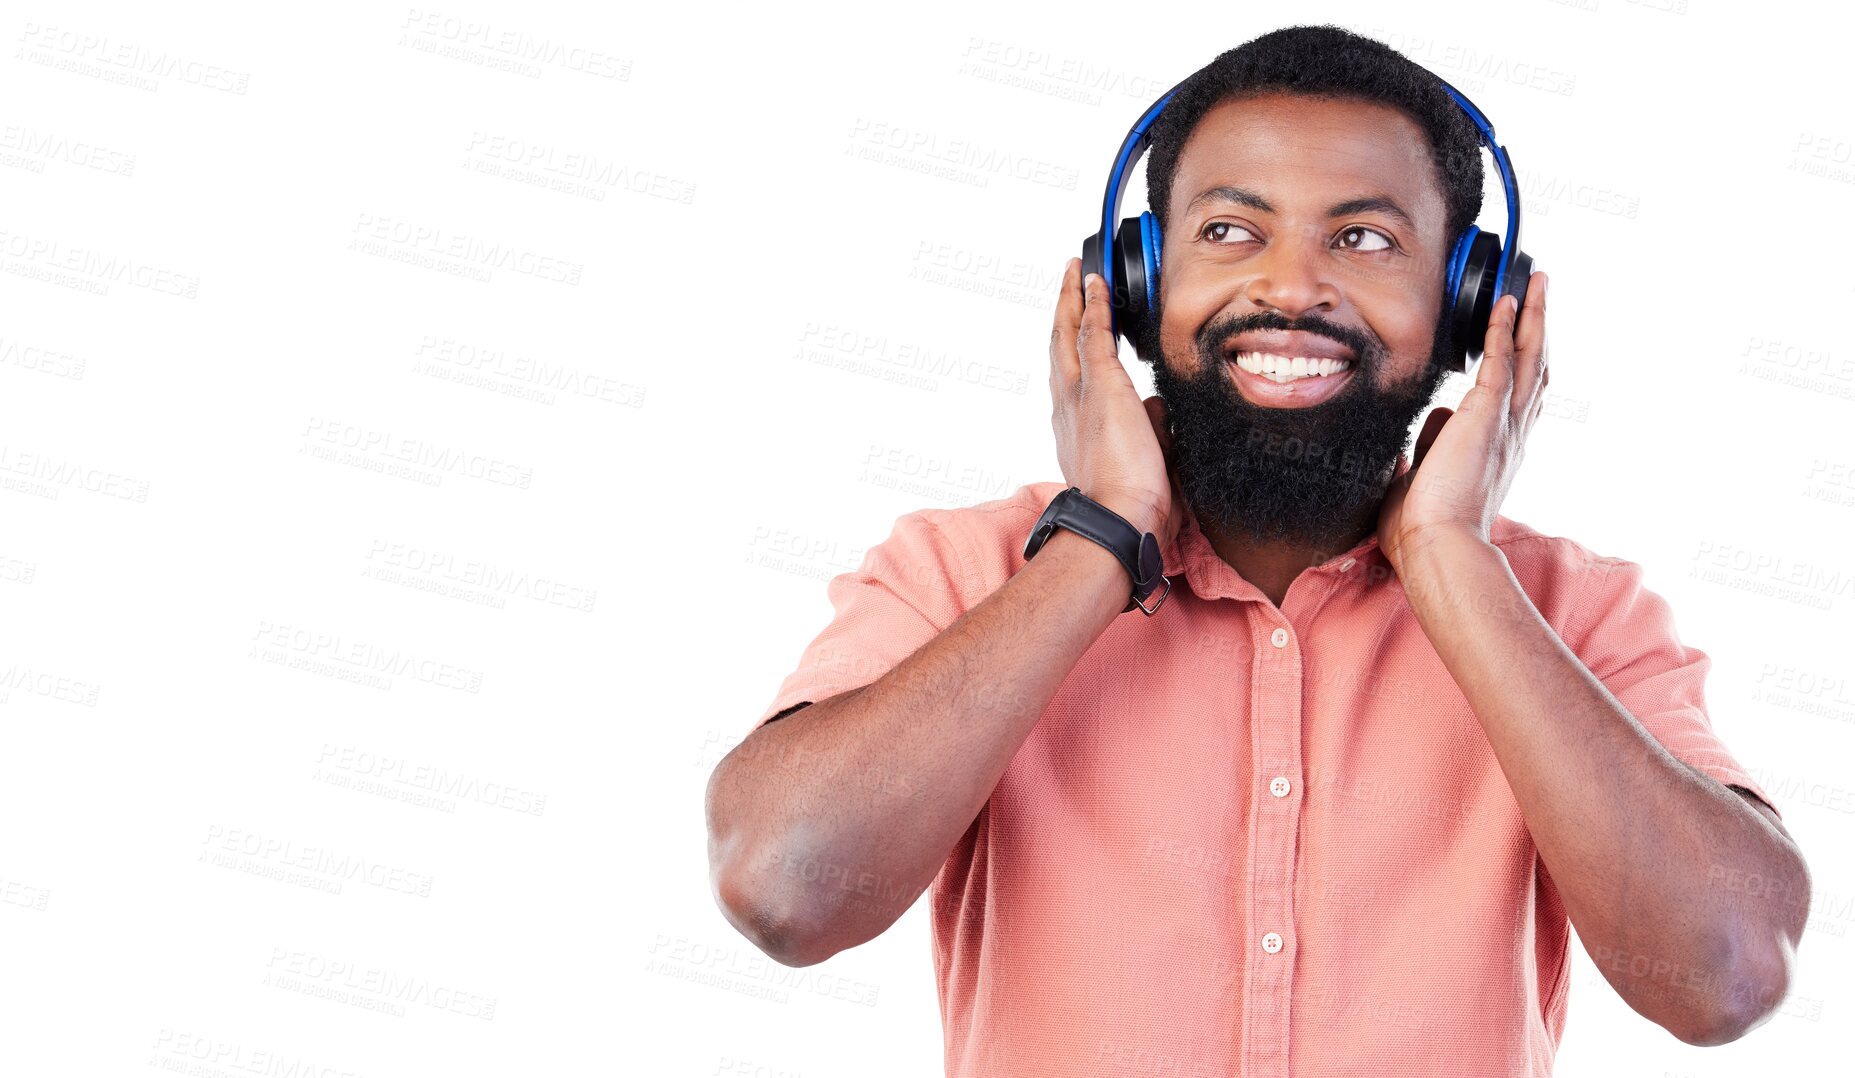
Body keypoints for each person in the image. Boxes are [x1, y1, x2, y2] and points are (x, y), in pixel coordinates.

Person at [704, 25, 1810, 1077]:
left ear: (1472, 305)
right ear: (1131, 283)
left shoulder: (1576, 610)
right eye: (1229, 231)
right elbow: (788, 891)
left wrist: (1448, 558)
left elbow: (1720, 976)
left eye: (1364, 238)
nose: (1288, 287)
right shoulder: (968, 569)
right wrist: (1100, 537)